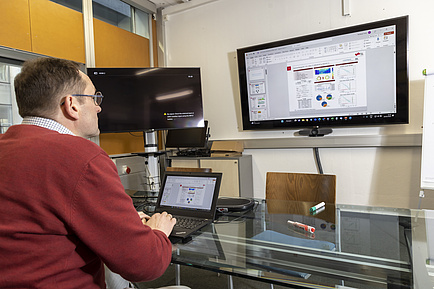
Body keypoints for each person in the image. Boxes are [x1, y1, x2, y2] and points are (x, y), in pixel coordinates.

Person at [0, 57, 177, 288]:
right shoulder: (82, 157)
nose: (99, 106)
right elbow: (145, 264)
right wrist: (158, 232)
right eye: (94, 98)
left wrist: (124, 222)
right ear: (72, 105)